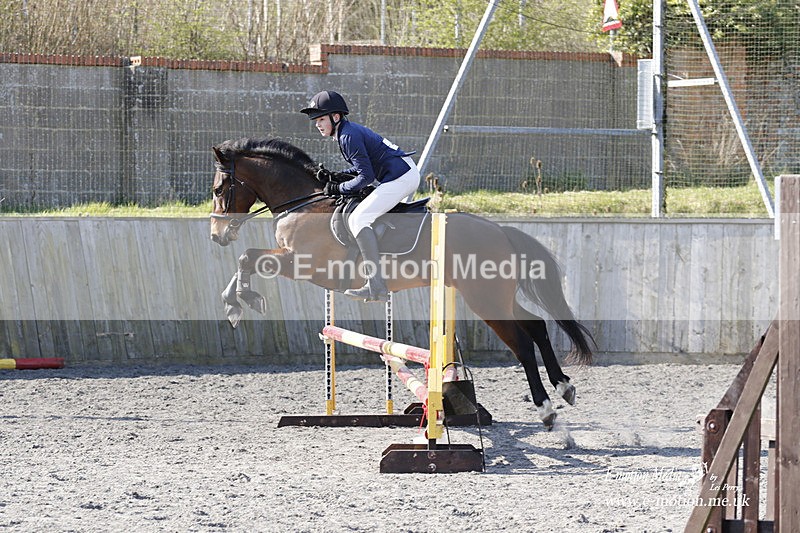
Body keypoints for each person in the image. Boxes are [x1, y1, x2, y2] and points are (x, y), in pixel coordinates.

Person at [300, 90, 420, 303]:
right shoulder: (346, 132)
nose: (317, 124)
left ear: (335, 117)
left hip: (401, 177)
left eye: (320, 119)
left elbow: (366, 177)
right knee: (360, 216)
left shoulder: (348, 136)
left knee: (358, 218)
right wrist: (337, 177)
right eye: (315, 120)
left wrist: (338, 188)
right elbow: (361, 169)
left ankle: (376, 285)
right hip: (399, 174)